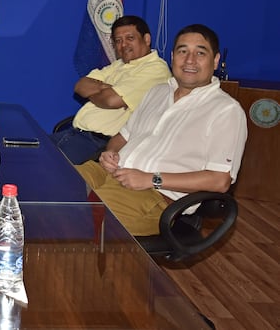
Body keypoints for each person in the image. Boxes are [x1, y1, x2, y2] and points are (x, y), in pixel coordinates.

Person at [75, 24, 247, 236]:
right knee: (48, 187)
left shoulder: (226, 110)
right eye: (183, 51)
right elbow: (122, 137)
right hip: (112, 173)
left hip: (154, 195)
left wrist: (151, 179)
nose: (190, 60)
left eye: (200, 53)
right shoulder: (157, 92)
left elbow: (220, 181)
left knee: (77, 222)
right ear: (173, 56)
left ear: (215, 60)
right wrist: (111, 154)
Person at [52, 15, 171, 165]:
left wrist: (100, 92)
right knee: (26, 150)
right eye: (118, 40)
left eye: (130, 38)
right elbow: (80, 86)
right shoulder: (120, 65)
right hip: (76, 135)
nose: (123, 45)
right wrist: (105, 88)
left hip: (99, 145)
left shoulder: (155, 69)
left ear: (147, 39)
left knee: (42, 164)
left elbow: (111, 100)